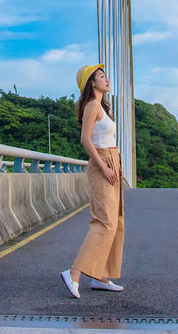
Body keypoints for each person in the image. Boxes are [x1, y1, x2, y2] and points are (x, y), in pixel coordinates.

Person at [61, 63, 125, 298]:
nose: (106, 78)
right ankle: (74, 273)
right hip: (101, 164)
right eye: (101, 76)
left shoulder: (102, 107)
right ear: (91, 83)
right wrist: (104, 167)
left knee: (115, 222)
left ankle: (100, 276)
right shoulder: (91, 106)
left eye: (106, 75)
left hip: (112, 161)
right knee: (104, 222)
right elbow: (85, 140)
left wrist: (117, 168)